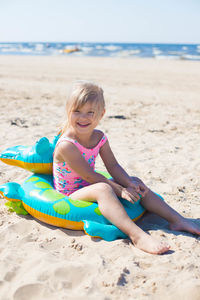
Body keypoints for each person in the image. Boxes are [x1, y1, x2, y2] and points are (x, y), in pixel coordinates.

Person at [53, 80, 200, 255]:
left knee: (135, 182)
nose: (83, 117)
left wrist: (128, 183)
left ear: (101, 114)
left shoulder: (99, 137)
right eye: (77, 111)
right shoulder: (67, 145)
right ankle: (137, 235)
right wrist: (120, 190)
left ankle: (178, 220)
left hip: (90, 185)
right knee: (103, 189)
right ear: (68, 111)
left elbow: (113, 165)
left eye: (90, 112)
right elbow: (89, 176)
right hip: (71, 191)